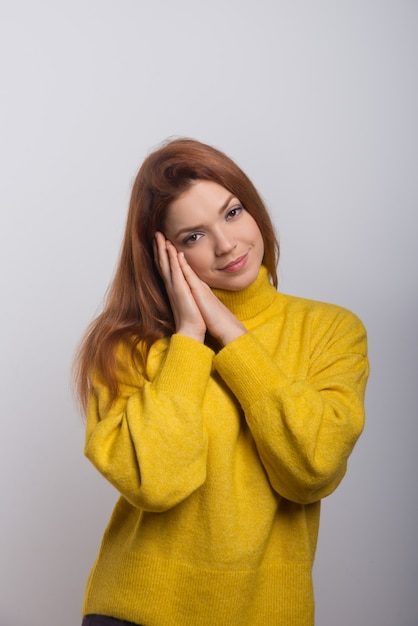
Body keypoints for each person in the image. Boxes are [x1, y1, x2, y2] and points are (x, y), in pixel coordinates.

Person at [74, 138, 369, 626]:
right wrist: (190, 337)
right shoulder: (127, 347)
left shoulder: (330, 330)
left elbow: (311, 469)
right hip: (136, 611)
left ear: (253, 208)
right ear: (162, 254)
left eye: (232, 213)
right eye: (193, 236)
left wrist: (231, 336)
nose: (227, 244)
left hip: (266, 613)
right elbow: (158, 483)